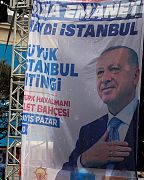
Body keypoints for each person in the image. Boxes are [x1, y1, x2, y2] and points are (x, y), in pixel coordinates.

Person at [58, 46, 141, 177]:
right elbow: (60, 176)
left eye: (114, 69)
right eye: (100, 72)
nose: (105, 79)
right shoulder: (88, 131)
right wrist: (84, 160)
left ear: (135, 76)